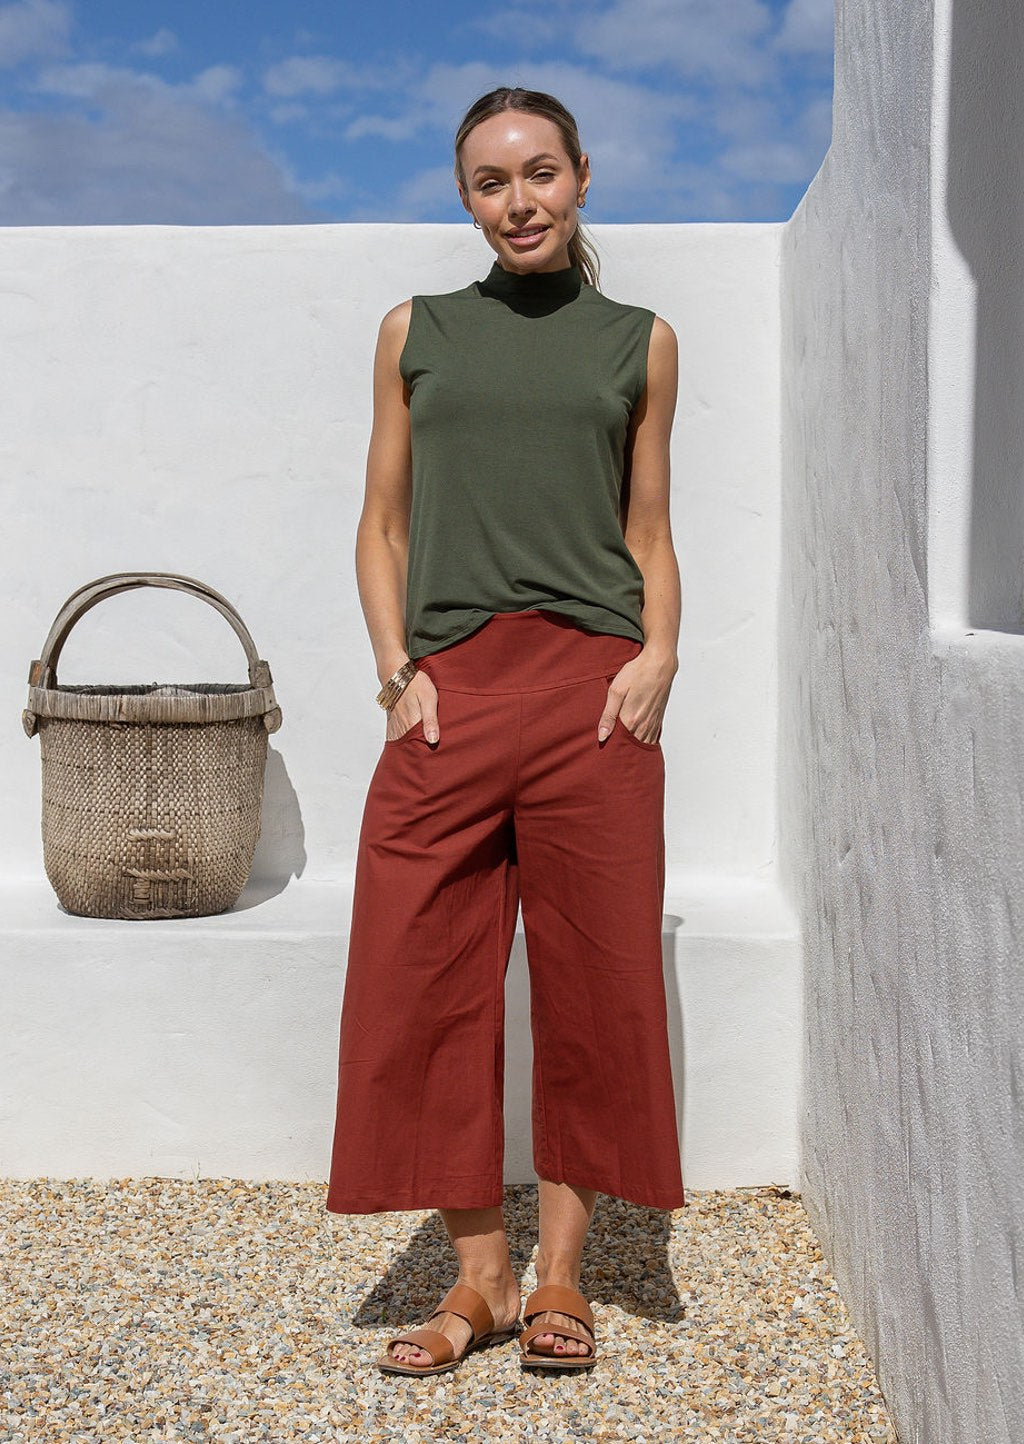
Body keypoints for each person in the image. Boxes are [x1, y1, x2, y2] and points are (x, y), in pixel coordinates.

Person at [326, 85, 685, 1377]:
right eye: (490, 180)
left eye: (539, 172)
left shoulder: (639, 342)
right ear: (465, 196)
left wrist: (659, 657)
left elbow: (646, 530)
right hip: (453, 691)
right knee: (415, 968)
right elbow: (381, 521)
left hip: (593, 690)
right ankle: (477, 1278)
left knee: (596, 983)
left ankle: (563, 1278)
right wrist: (394, 671)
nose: (518, 199)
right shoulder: (415, 332)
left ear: (583, 176)